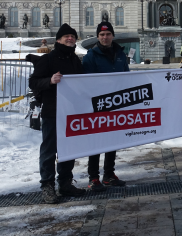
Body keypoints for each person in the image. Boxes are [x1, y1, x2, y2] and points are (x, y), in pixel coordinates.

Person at [29, 23, 86, 204]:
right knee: (49, 150)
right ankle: (47, 186)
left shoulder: (74, 60)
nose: (70, 39)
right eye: (66, 36)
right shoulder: (48, 59)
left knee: (68, 149)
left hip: (71, 112)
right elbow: (34, 82)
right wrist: (50, 81)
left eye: (73, 36)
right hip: (52, 111)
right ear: (59, 40)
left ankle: (65, 183)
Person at [82, 21, 129, 191]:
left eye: (108, 34)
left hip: (116, 103)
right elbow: (86, 82)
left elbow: (126, 76)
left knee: (112, 140)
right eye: (102, 35)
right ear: (97, 37)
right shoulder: (91, 56)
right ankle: (93, 177)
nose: (105, 37)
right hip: (98, 104)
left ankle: (109, 174)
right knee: (96, 141)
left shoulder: (120, 54)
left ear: (113, 36)